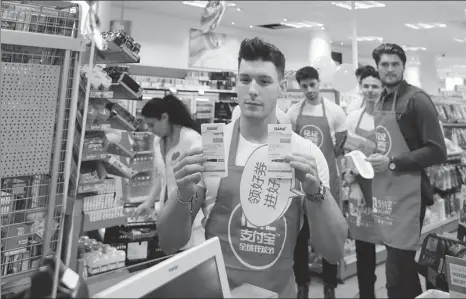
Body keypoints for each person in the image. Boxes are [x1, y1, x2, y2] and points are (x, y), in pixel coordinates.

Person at [156, 37, 348, 298]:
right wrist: (182, 196)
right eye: (245, 79)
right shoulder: (212, 145)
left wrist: (316, 194)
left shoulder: (304, 153)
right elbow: (169, 243)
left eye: (264, 81)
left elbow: (333, 251)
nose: (253, 90)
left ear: (281, 86)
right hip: (218, 291)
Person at [367, 43, 447, 299]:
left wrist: (392, 162)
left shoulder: (416, 100)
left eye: (395, 64)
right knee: (402, 269)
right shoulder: (383, 98)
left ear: (403, 66)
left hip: (409, 194)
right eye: (384, 65)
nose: (389, 70)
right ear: (378, 68)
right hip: (387, 192)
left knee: (395, 274)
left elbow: (437, 151)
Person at [232, 88, 312, 299]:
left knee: (297, 246)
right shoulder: (220, 140)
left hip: (278, 275)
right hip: (226, 278)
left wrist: (316, 193)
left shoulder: (296, 143)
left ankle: (303, 284)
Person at [286, 66, 348, 298]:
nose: (309, 90)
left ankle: (329, 285)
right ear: (299, 87)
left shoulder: (335, 112)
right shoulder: (293, 113)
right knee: (299, 236)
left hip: (327, 181)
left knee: (326, 233)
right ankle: (302, 284)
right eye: (304, 86)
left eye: (313, 84)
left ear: (319, 83)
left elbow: (339, 149)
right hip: (300, 184)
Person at [134, 95, 205, 249]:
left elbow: (199, 185)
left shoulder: (193, 140)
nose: (149, 130)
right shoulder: (158, 141)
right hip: (167, 217)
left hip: (189, 219)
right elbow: (162, 176)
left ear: (165, 117)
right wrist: (149, 201)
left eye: (152, 125)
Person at [344, 67, 383, 299]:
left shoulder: (390, 118)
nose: (370, 91)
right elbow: (347, 153)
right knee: (364, 249)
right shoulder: (352, 118)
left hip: (386, 191)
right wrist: (351, 177)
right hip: (360, 191)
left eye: (375, 86)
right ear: (361, 88)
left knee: (392, 243)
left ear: (382, 89)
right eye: (366, 86)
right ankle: (367, 293)